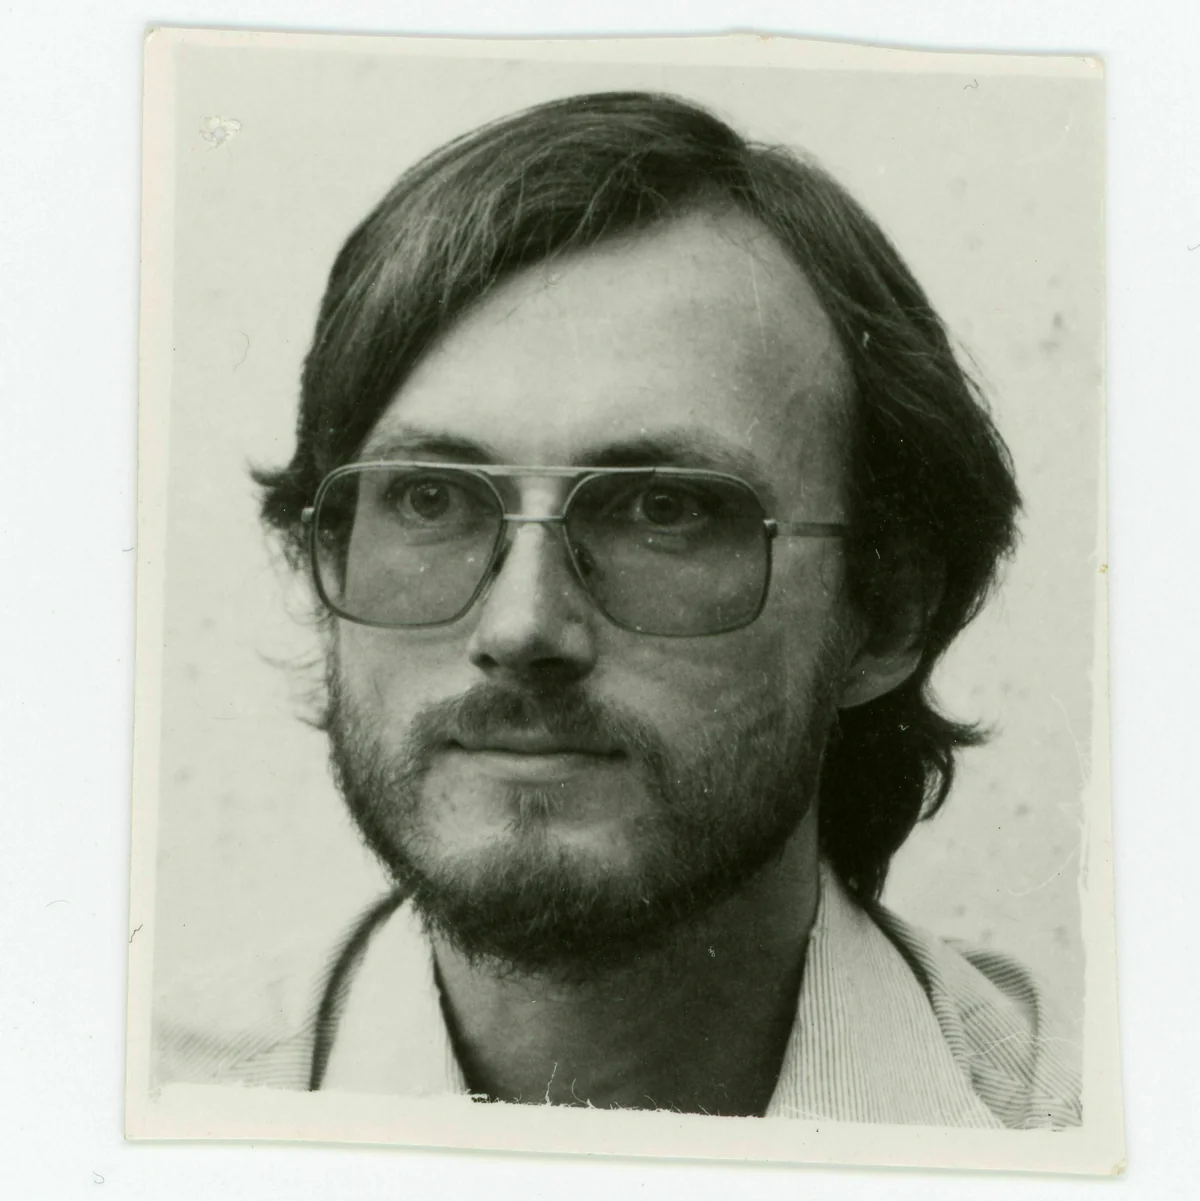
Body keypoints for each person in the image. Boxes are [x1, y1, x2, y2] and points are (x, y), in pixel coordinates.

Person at [171, 91, 1082, 1127]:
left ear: (887, 615)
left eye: (665, 509)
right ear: (324, 554)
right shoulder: (116, 1120)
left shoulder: (1110, 1148)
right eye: (429, 499)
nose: (521, 628)